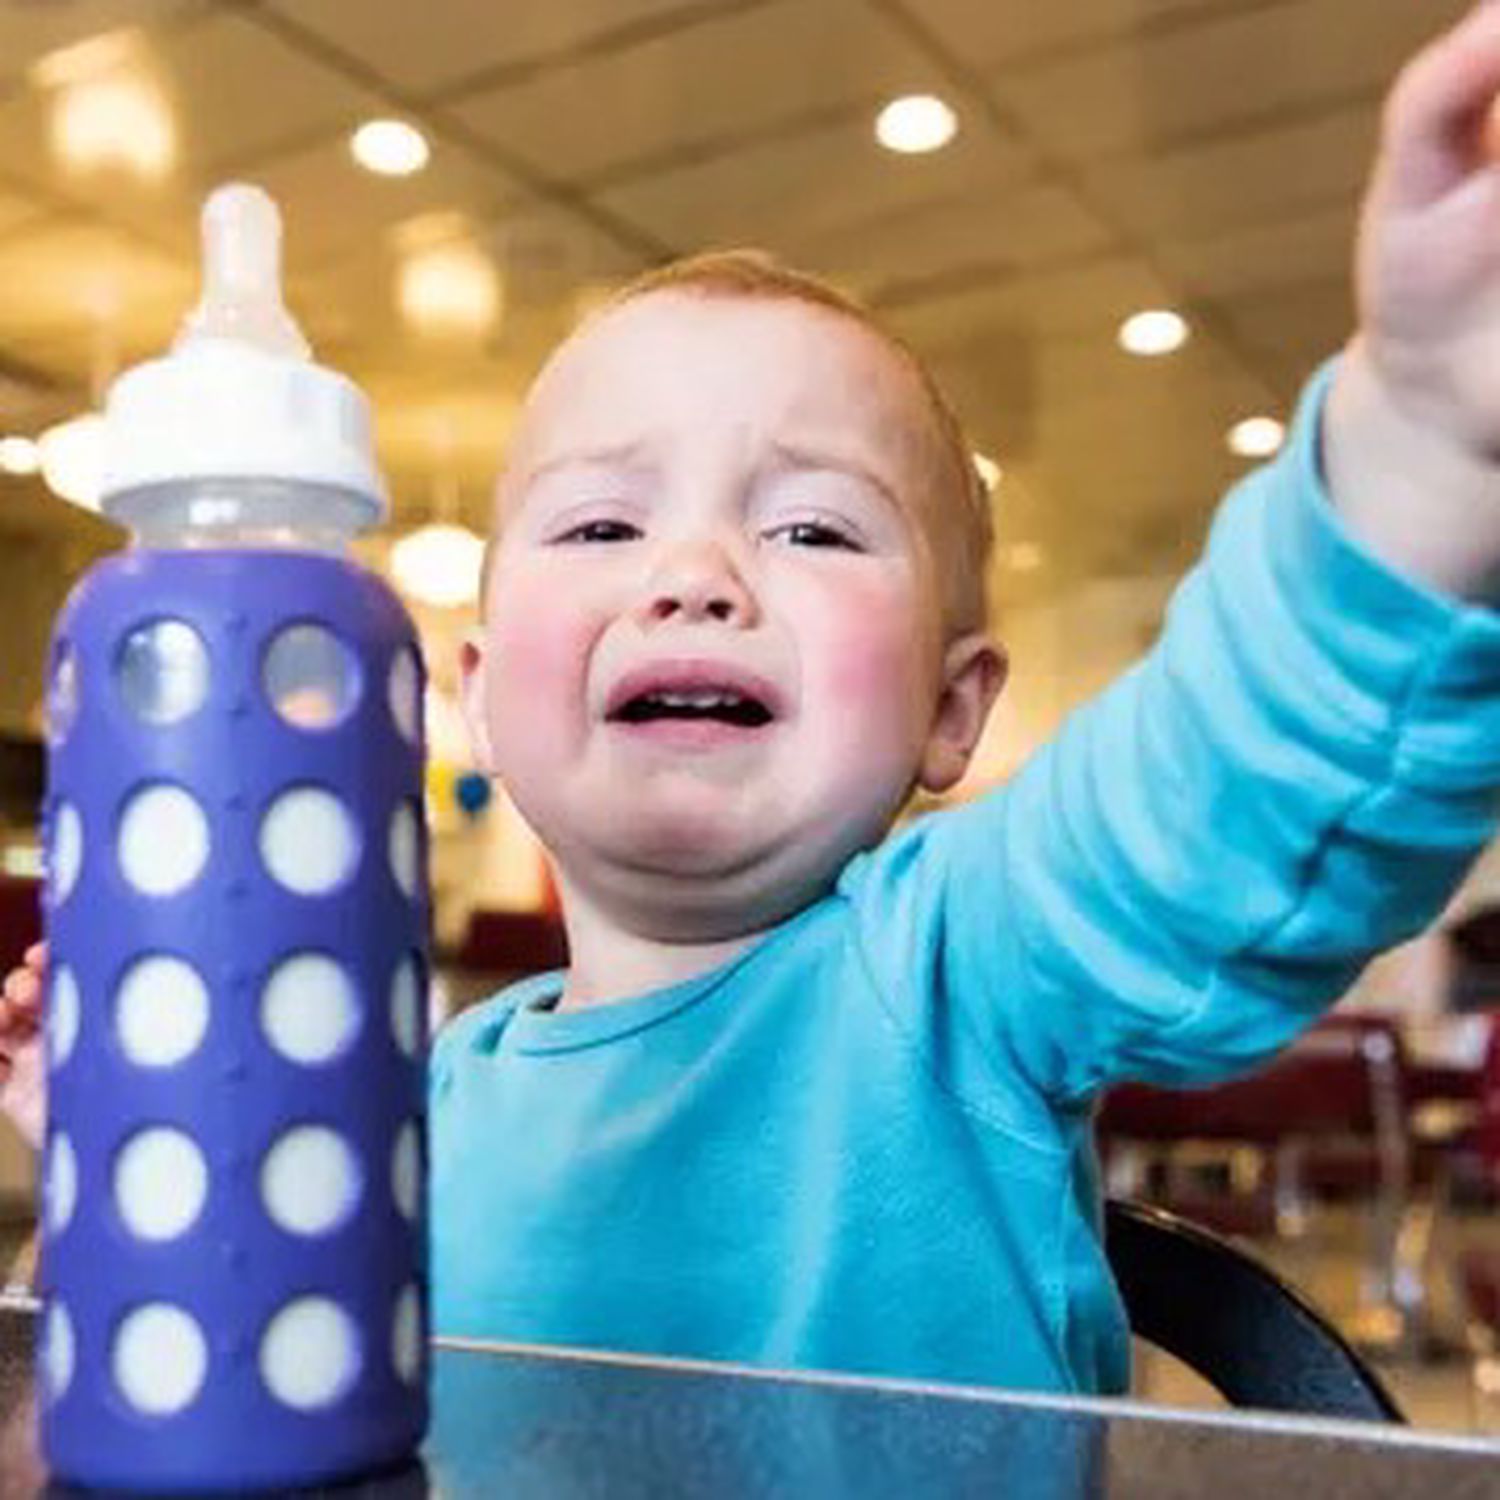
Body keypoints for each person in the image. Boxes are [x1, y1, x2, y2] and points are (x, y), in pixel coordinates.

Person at [10, 6, 1500, 1397]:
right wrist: (143, 1147)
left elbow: (1214, 806)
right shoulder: (416, 1100)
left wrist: (1424, 450)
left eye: (812, 530)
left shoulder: (952, 971)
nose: (698, 575)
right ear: (473, 693)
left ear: (952, 707)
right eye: (603, 528)